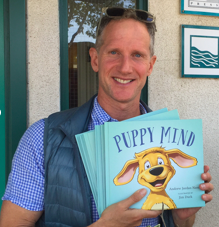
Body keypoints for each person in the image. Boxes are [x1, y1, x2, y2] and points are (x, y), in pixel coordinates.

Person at [0, 7, 213, 227]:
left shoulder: (171, 140)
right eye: (114, 52)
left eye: (137, 55)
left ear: (150, 65)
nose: (125, 67)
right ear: (95, 59)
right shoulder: (43, 139)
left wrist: (182, 216)